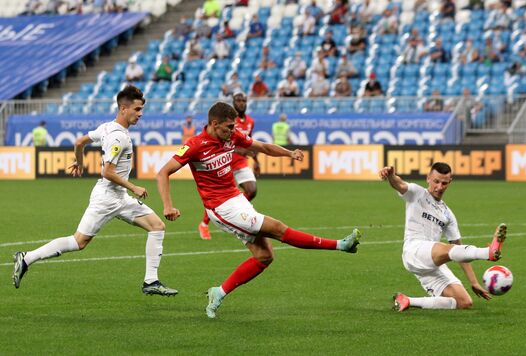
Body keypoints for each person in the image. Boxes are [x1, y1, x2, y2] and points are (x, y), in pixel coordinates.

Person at [156, 101, 361, 318]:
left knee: (264, 256)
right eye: (228, 127)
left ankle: (219, 292)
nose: (233, 131)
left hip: (236, 199)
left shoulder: (231, 136)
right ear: (214, 124)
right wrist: (168, 205)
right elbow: (163, 173)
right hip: (221, 208)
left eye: (234, 126)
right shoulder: (195, 145)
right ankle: (341, 245)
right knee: (278, 229)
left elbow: (262, 146)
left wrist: (289, 153)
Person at [12, 85, 177, 296]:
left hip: (120, 198)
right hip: (107, 198)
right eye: (137, 109)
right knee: (78, 242)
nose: (140, 114)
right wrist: (133, 186)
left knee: (157, 226)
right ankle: (26, 258)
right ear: (123, 109)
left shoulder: (107, 127)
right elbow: (108, 172)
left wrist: (79, 162)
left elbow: (80, 141)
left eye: (141, 109)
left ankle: (151, 282)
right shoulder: (118, 137)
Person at [379, 162, 507, 312]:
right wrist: (391, 176)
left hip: (432, 264)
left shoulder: (448, 214)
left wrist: (473, 282)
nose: (439, 187)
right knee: (447, 249)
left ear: (450, 182)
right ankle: (488, 253)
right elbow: (399, 184)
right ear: (428, 178)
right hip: (414, 251)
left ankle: (407, 300)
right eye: (436, 181)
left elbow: (458, 249)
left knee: (464, 302)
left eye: (444, 183)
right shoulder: (416, 193)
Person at [197, 92, 260, 240]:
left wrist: (256, 160)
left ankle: (237, 212)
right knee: (221, 196)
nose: (241, 103)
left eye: (243, 100)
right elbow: (223, 142)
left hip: (240, 161)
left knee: (252, 190)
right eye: (238, 100)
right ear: (233, 102)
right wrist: (239, 149)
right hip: (223, 160)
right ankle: (204, 224)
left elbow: (248, 141)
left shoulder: (250, 121)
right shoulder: (227, 120)